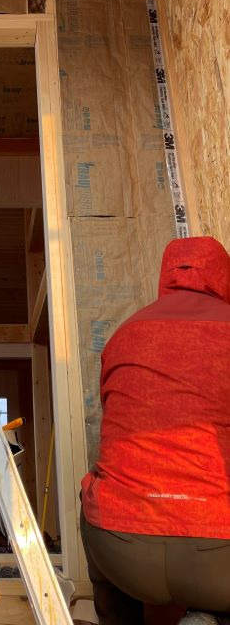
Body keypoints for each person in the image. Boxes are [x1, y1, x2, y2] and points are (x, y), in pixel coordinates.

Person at [80, 236, 230, 625]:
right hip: (220, 559)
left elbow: (115, 416)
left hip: (122, 555)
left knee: (94, 492)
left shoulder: (124, 333)